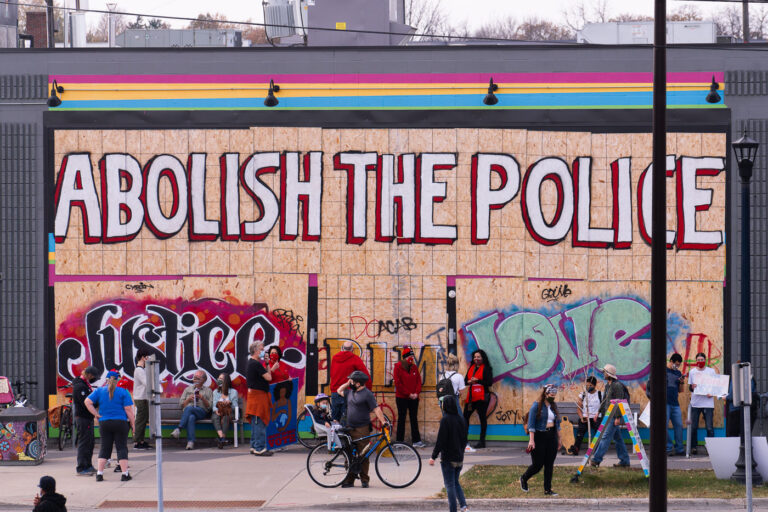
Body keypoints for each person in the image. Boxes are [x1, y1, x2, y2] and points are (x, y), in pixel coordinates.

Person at [337, 370, 389, 488]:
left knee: (363, 455)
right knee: (349, 455)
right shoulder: (350, 392)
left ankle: (364, 480)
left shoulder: (367, 394)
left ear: (358, 383)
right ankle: (349, 480)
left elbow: (376, 409)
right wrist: (348, 382)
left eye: (352, 381)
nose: (350, 383)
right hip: (349, 427)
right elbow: (339, 390)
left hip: (362, 428)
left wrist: (383, 422)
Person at [85, 370, 135, 482]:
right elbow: (128, 410)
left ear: (106, 380)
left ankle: (99, 474)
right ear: (118, 380)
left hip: (104, 423)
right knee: (121, 447)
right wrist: (133, 424)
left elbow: (87, 402)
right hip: (120, 422)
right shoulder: (123, 392)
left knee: (104, 448)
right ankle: (124, 474)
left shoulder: (99, 391)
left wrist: (96, 414)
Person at [429, 394, 468, 512]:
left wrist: (433, 457)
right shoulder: (461, 419)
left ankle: (453, 510)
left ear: (444, 406)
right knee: (455, 482)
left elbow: (440, 441)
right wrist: (461, 452)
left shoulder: (445, 420)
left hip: (448, 459)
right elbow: (464, 440)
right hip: (459, 458)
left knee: (449, 485)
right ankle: (464, 506)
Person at [520, 384, 561, 496]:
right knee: (537, 465)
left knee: (549, 464)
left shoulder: (553, 406)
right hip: (539, 436)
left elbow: (557, 424)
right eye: (551, 395)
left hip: (552, 436)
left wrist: (559, 438)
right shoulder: (536, 406)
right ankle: (524, 478)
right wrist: (531, 440)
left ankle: (547, 489)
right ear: (545, 394)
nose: (553, 397)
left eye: (554, 395)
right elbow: (531, 425)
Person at [589, 364, 631, 468]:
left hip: (613, 416)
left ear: (609, 374)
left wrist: (618, 417)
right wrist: (598, 412)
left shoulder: (617, 386)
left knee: (605, 437)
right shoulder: (608, 385)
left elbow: (619, 401)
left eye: (604, 372)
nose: (603, 374)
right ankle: (625, 460)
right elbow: (604, 400)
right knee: (618, 439)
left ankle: (596, 460)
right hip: (607, 415)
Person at [329, 341, 371, 423]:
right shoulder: (355, 359)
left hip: (335, 392)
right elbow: (366, 376)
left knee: (335, 420)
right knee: (347, 421)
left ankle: (335, 431)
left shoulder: (334, 358)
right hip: (348, 393)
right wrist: (368, 391)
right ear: (352, 349)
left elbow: (332, 374)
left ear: (342, 348)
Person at [170, 370, 212, 450]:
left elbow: (209, 406)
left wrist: (202, 398)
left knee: (189, 408)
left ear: (203, 380)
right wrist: (188, 399)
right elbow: (181, 405)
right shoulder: (187, 389)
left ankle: (179, 429)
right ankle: (190, 442)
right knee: (191, 417)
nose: (195, 380)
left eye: (198, 378)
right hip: (188, 412)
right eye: (194, 378)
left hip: (201, 412)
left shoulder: (208, 390)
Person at [245, 342, 273, 456]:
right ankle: (259, 448)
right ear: (256, 350)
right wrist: (267, 364)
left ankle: (253, 446)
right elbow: (269, 377)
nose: (263, 351)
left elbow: (268, 376)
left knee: (255, 423)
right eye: (262, 349)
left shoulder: (252, 363)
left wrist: (267, 363)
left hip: (255, 396)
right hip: (258, 398)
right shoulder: (255, 364)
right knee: (259, 422)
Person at [394, 346, 424, 448]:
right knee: (401, 419)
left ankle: (416, 441)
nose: (412, 358)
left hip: (414, 398)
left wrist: (416, 393)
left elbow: (418, 381)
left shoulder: (414, 367)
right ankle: (399, 441)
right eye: (410, 356)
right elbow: (398, 383)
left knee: (413, 418)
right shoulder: (398, 367)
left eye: (412, 356)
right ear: (405, 357)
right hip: (402, 398)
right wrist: (408, 394)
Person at [463, 349, 493, 451]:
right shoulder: (471, 368)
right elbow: (465, 381)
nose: (476, 359)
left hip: (482, 397)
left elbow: (489, 382)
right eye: (475, 357)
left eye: (478, 357)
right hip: (471, 397)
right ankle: (464, 440)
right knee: (465, 417)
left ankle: (482, 441)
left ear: (483, 358)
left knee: (482, 418)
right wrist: (469, 381)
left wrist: (478, 380)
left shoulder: (487, 368)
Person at [72, 365, 99, 476]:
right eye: (93, 377)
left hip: (88, 418)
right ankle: (81, 467)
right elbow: (86, 403)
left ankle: (88, 465)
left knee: (90, 442)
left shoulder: (85, 385)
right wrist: (95, 404)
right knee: (84, 442)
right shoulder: (80, 387)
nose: (94, 379)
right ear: (89, 375)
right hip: (83, 418)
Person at [688, 352, 716, 455]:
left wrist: (712, 393)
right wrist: (692, 387)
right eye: (698, 360)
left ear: (705, 360)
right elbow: (690, 387)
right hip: (696, 403)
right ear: (696, 361)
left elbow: (715, 386)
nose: (700, 361)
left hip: (708, 403)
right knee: (694, 427)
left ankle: (711, 448)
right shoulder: (692, 372)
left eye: (702, 360)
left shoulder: (711, 371)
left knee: (709, 427)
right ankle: (693, 447)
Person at [570, 376, 601, 456]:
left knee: (598, 430)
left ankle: (596, 449)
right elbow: (579, 409)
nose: (588, 387)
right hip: (585, 417)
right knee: (581, 430)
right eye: (586, 385)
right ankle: (576, 448)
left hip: (596, 417)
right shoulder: (583, 394)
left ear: (594, 385)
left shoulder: (600, 394)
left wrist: (598, 414)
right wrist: (581, 417)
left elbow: (603, 408)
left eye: (590, 385)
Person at [664, 354, 686, 455]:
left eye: (679, 365)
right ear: (671, 361)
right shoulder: (664, 371)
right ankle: (668, 448)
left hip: (675, 403)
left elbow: (680, 391)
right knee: (664, 426)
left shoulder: (678, 373)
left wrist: (681, 382)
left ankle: (679, 449)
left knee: (679, 425)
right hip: (665, 403)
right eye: (676, 364)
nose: (677, 367)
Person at [212, 372, 238, 449]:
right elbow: (214, 405)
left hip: (229, 413)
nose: (219, 380)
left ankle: (221, 439)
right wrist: (216, 410)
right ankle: (222, 438)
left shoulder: (233, 392)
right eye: (219, 378)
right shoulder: (216, 392)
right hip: (219, 412)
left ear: (226, 381)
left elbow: (235, 407)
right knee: (215, 416)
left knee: (226, 416)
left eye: (221, 379)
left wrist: (230, 403)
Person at [132, 348, 151, 450]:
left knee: (143, 420)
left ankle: (141, 440)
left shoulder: (141, 370)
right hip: (140, 398)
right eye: (147, 356)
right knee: (140, 420)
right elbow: (146, 383)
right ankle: (137, 442)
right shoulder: (139, 370)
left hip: (143, 397)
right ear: (143, 357)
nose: (148, 358)